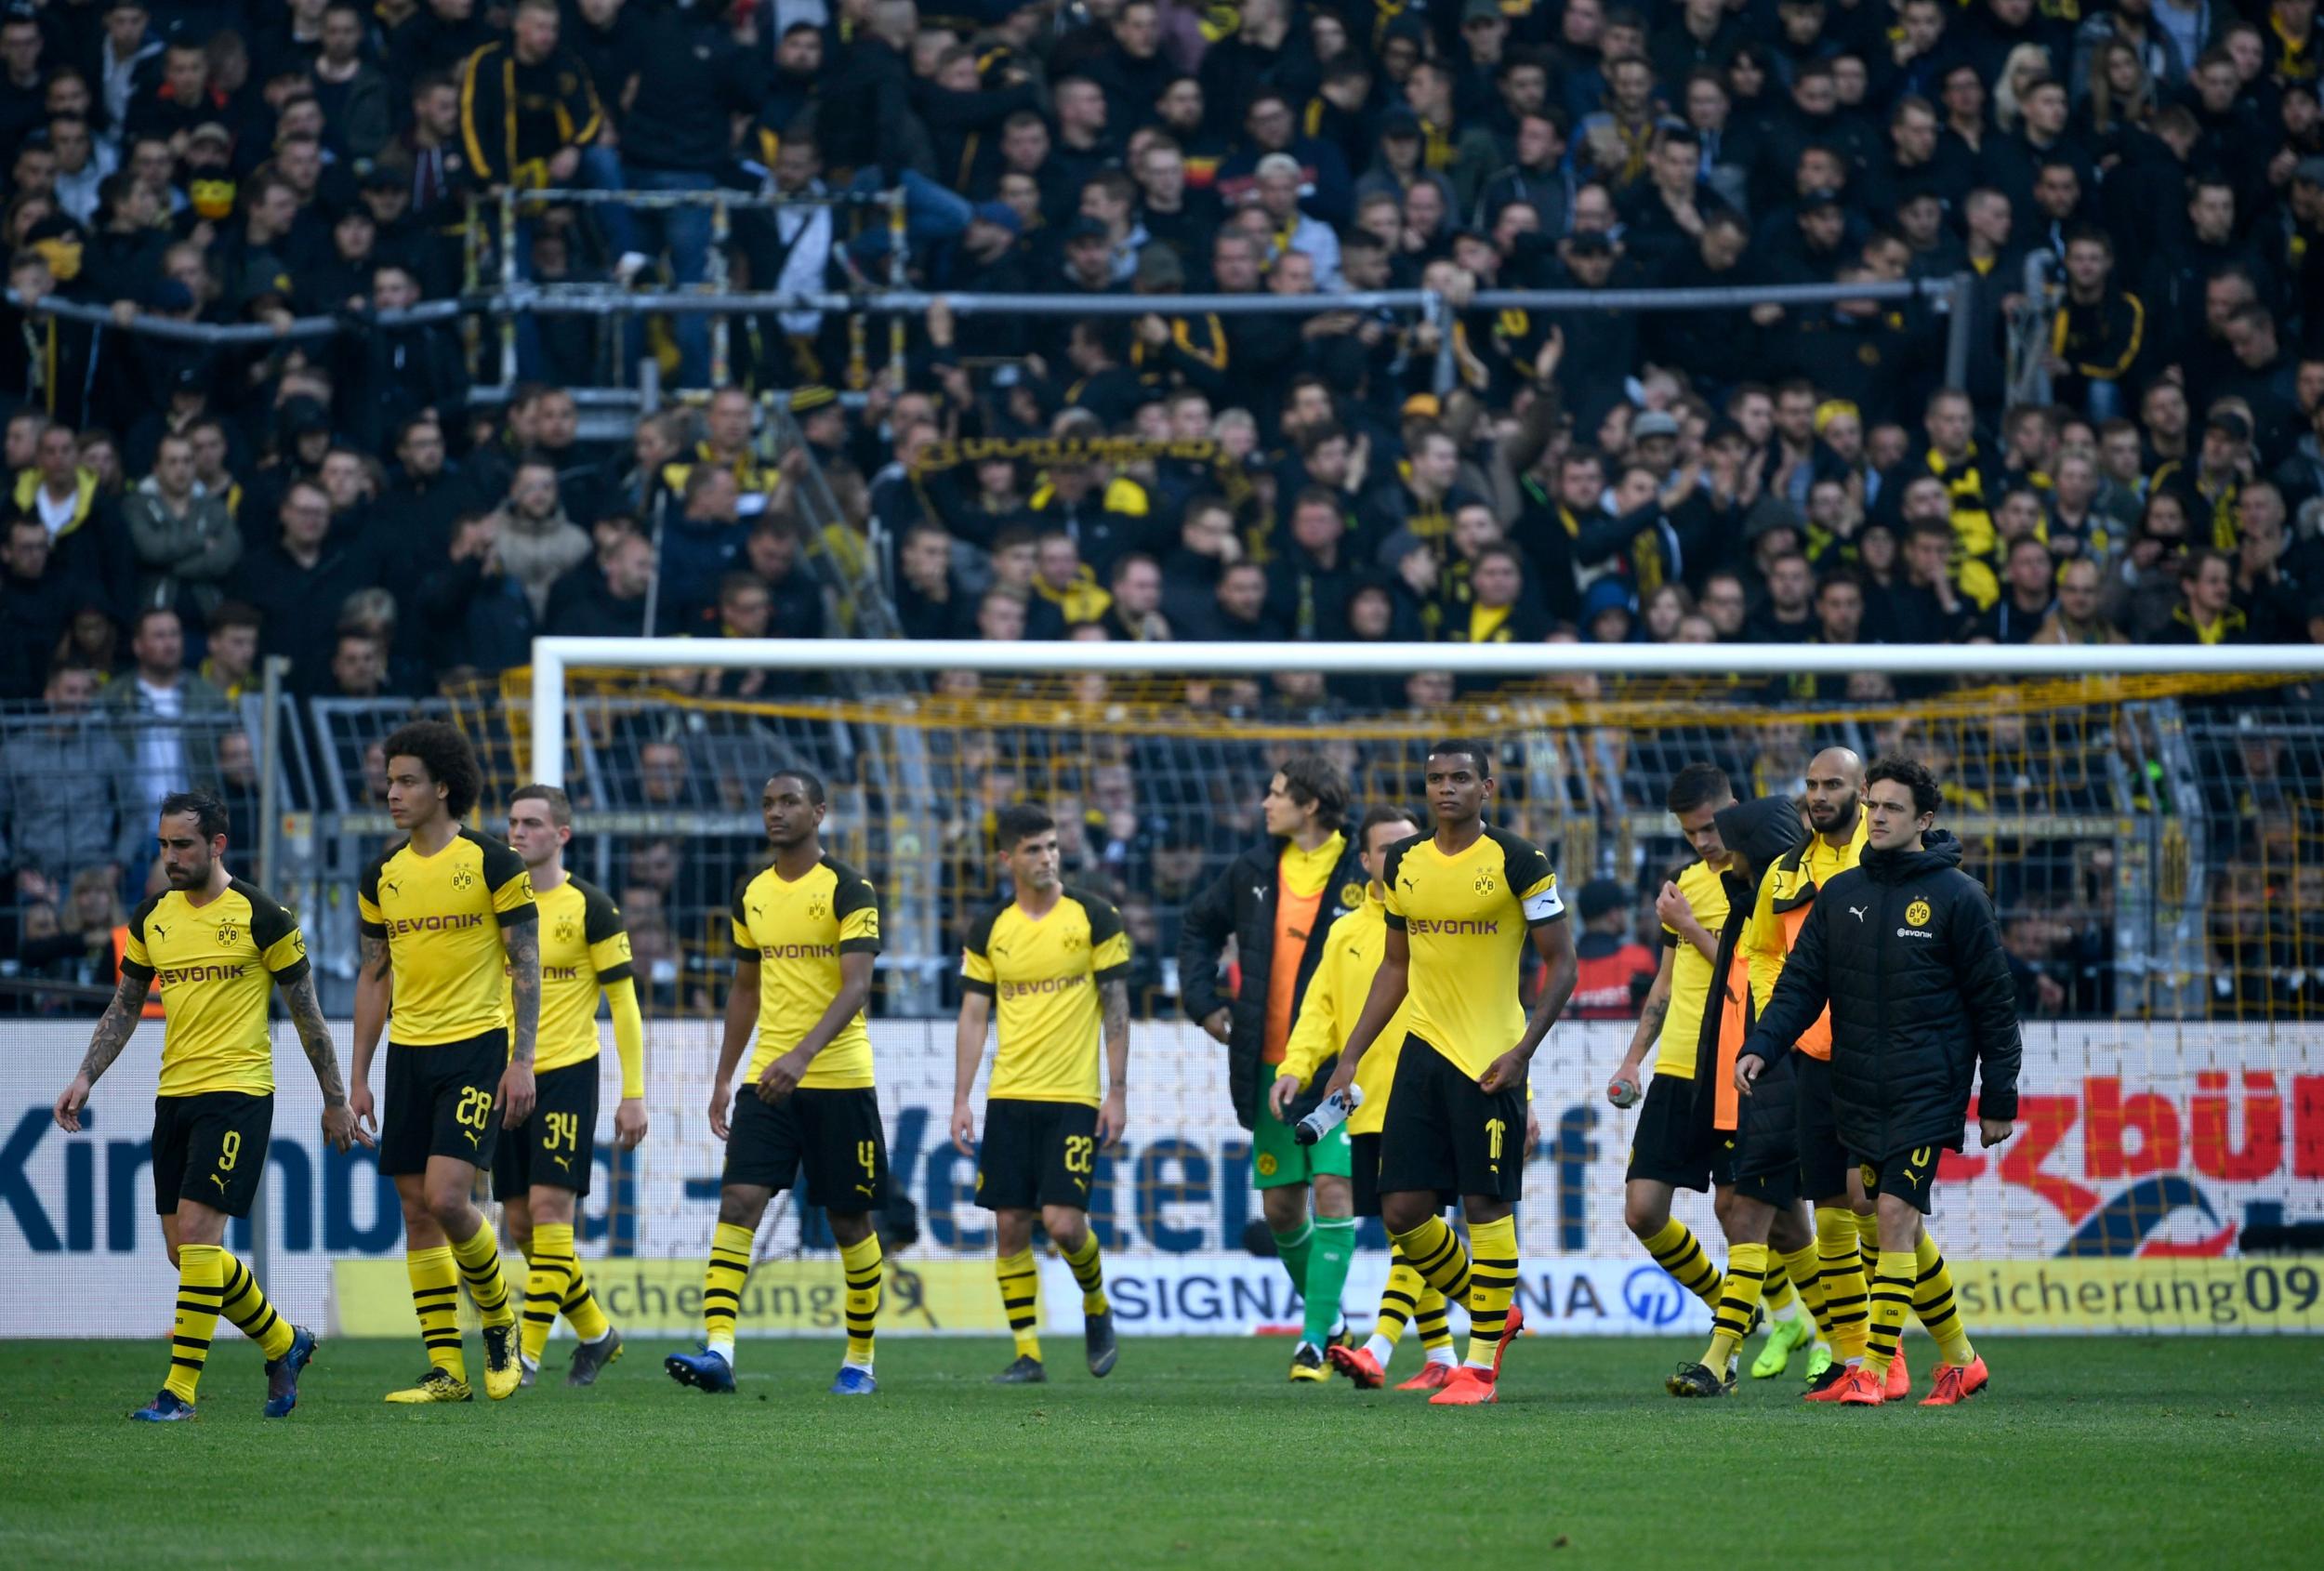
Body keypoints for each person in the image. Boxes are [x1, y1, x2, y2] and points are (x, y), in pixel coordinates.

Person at [51, 790, 361, 1421]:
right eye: (164, 845)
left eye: (183, 844)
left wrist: (335, 1102)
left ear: (217, 845)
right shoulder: (152, 918)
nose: (171, 856)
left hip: (239, 1094)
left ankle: (180, 1393)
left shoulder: (262, 915)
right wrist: (86, 1076)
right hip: (176, 1095)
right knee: (185, 1253)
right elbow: (126, 1005)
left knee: (197, 1236)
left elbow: (309, 1017)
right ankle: (284, 1341)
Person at [1736, 755, 2021, 1407]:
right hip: (1858, 1081)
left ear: (1923, 819)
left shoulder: (1959, 898)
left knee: (1893, 1213)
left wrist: (1999, 1095)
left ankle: (1871, 1366)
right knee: (1882, 1217)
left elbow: (1994, 1003)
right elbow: (1802, 984)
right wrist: (1762, 1045)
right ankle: (1960, 1359)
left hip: (1929, 1083)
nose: (1879, 817)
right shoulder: (1841, 896)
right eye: (1875, 807)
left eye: (1893, 808)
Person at [1314, 739, 1579, 1406]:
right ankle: (1496, 1311)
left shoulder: (1520, 862)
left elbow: (1563, 964)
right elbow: (1396, 967)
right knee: (1402, 1210)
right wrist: (1348, 1056)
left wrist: (1523, 1053)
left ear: (1487, 787)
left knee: (1487, 1207)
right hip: (1422, 1054)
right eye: (1435, 779)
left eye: (1461, 777)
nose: (1446, 789)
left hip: (1491, 1058)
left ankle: (1481, 1367)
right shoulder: (1404, 862)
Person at [1603, 765, 1822, 1393]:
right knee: (1644, 1211)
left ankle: (1821, 1336)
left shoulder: (1772, 879)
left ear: (1733, 811)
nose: (1702, 841)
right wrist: (1631, 1060)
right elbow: (1664, 988)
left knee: (1764, 1215)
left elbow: (1751, 967)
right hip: (1680, 1064)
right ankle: (1741, 1305)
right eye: (1689, 831)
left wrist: (1691, 927)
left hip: (1745, 1061)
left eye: (1708, 827)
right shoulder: (1688, 887)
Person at [668, 768, 886, 1397]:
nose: (775, 812)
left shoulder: (849, 888)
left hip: (839, 1078)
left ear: (819, 812)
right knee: (738, 1202)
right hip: (768, 1081)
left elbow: (857, 987)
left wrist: (804, 1055)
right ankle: (719, 1351)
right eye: (767, 803)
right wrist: (722, 1079)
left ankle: (860, 1360)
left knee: (849, 1224)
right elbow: (745, 989)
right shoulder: (751, 893)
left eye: (789, 801)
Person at [350, 721, 539, 1405]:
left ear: (443, 787)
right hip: (409, 1053)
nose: (392, 793)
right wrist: (359, 1077)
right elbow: (375, 977)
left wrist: (522, 1061)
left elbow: (525, 964)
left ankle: (499, 1324)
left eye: (405, 781)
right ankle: (445, 1371)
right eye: (389, 780)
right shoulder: (382, 876)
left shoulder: (493, 863)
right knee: (416, 1210)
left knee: (448, 1197)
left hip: (476, 1048)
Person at [1177, 755, 1368, 1380]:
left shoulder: (1361, 867)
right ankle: (1335, 1320)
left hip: (1343, 1067)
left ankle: (1313, 1342)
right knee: (1284, 1210)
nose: (1266, 802)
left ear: (1310, 804)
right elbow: (1198, 929)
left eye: (1277, 792)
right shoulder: (1255, 871)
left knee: (1334, 1188)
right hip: (1270, 1066)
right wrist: (1205, 1006)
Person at [1272, 805, 1461, 1393]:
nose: (1400, 857)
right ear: (1364, 861)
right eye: (1387, 849)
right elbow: (1320, 1012)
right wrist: (1295, 1067)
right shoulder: (1347, 932)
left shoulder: (1447, 921)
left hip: (1435, 1098)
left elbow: (1485, 1006)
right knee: (1410, 1229)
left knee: (1417, 1221)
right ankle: (1445, 1356)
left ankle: (1381, 1347)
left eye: (1410, 844)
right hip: (1366, 1104)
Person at [951, 804, 1129, 1385]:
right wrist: (961, 1100)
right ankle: (1028, 1353)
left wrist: (1117, 1092)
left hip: (1073, 1096)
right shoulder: (989, 929)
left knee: (1064, 1225)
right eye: (1033, 849)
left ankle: (1096, 1304)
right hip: (1009, 1096)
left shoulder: (1094, 916)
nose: (1048, 858)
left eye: (1052, 846)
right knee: (1008, 1226)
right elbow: (974, 1015)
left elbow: (1116, 1009)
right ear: (1007, 859)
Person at [1658, 790, 1827, 1398]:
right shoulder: (1749, 907)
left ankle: (1720, 1358)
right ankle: (1833, 1338)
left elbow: (1787, 991)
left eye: (1730, 849)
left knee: (1756, 1214)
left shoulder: (1792, 908)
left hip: (1782, 1073)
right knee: (1771, 1221)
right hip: (1744, 1075)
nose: (1720, 859)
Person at [496, 784, 647, 1389]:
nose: (517, 833)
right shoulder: (498, 903)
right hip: (506, 1074)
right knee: (521, 1223)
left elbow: (625, 1003)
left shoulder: (592, 907)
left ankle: (525, 1356)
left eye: (531, 823)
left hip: (566, 1072)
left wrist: (633, 1092)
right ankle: (596, 1332)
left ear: (561, 835)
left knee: (550, 1209)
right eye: (511, 822)